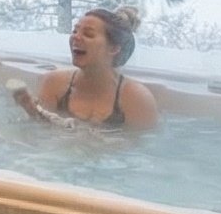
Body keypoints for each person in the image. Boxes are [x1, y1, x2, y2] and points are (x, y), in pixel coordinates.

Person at [13, 7, 161, 130]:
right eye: (75, 31)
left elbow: (140, 153)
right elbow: (39, 136)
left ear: (114, 48)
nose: (76, 37)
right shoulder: (54, 83)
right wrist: (31, 110)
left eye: (88, 34)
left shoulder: (136, 98)